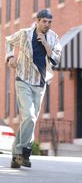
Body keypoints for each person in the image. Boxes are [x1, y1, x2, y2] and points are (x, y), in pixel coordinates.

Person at [5, 9, 62, 168]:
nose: (47, 24)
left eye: (50, 22)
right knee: (29, 116)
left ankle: (17, 155)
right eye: (44, 21)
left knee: (30, 120)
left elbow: (56, 59)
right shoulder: (24, 34)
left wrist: (45, 43)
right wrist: (10, 57)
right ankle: (24, 151)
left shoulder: (53, 37)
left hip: (40, 83)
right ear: (37, 21)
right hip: (23, 80)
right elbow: (8, 41)